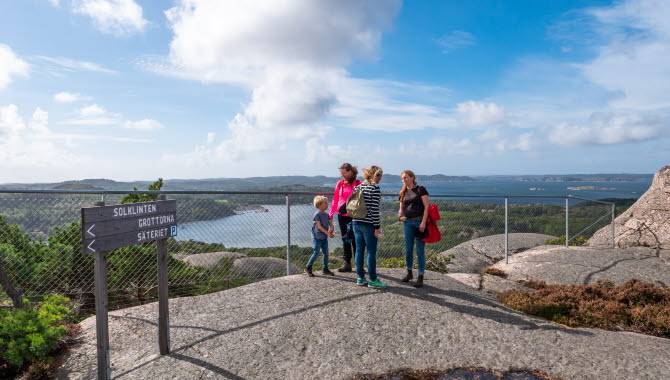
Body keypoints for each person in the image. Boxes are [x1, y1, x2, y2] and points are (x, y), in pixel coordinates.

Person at [352, 165, 387, 289]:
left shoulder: (357, 187)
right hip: (368, 225)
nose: (381, 178)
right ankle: (373, 280)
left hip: (356, 222)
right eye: (380, 175)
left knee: (359, 251)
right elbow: (374, 210)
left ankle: (360, 278)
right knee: (371, 252)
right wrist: (377, 227)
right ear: (375, 175)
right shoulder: (374, 188)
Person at [397, 170, 429, 288]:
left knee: (420, 251)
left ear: (412, 177)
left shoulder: (421, 189)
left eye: (405, 177)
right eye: (402, 178)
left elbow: (426, 207)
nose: (403, 180)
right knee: (408, 250)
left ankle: (420, 276)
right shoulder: (403, 192)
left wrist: (424, 223)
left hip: (419, 222)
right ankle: (409, 273)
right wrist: (400, 217)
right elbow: (401, 208)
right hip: (408, 223)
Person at [329, 163, 362, 272]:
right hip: (342, 215)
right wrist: (331, 213)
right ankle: (347, 263)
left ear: (350, 172)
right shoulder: (340, 183)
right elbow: (335, 198)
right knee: (345, 239)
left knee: (357, 240)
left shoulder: (358, 184)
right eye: (341, 173)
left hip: (355, 215)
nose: (342, 175)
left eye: (344, 173)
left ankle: (359, 265)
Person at [305, 196, 335, 277]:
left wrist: (331, 229)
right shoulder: (317, 214)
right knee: (316, 252)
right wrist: (328, 233)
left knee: (326, 253)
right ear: (319, 205)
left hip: (324, 237)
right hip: (317, 237)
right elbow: (319, 227)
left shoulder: (327, 215)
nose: (327, 204)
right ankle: (308, 267)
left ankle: (325, 269)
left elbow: (330, 224)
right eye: (325, 203)